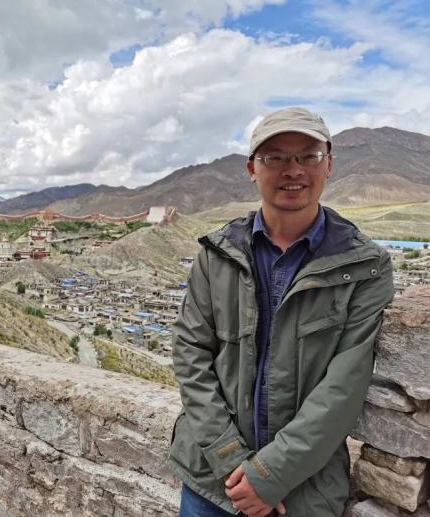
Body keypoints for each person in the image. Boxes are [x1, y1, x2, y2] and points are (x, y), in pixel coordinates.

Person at [168, 107, 394, 517]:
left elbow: (344, 386)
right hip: (212, 483)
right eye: (275, 157)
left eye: (309, 156)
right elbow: (190, 354)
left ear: (329, 164)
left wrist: (272, 475)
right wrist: (232, 461)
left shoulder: (365, 266)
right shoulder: (216, 255)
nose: (294, 170)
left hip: (303, 491)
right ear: (252, 169)